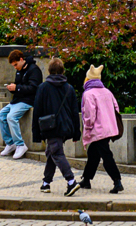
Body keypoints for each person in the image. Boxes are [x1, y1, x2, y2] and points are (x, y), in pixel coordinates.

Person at [32, 57, 81, 196]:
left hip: (51, 127)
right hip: (66, 127)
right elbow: (74, 111)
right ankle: (46, 183)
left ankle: (71, 182)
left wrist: (35, 132)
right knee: (51, 152)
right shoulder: (69, 88)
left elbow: (37, 110)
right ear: (62, 71)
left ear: (49, 70)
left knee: (57, 153)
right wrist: (76, 132)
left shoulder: (43, 88)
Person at [78, 64, 123, 194]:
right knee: (93, 153)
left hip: (98, 130)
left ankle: (117, 181)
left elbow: (90, 115)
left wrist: (87, 127)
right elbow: (116, 108)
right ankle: (86, 179)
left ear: (88, 79)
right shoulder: (107, 91)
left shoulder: (88, 94)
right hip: (109, 128)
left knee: (106, 155)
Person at [0, 49, 41, 159]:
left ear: (21, 59)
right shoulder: (19, 70)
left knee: (11, 117)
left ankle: (20, 145)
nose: (15, 67)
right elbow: (19, 86)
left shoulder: (34, 70)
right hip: (17, 100)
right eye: (13, 65)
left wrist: (17, 88)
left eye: (16, 64)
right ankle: (10, 143)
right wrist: (13, 88)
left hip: (28, 101)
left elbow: (34, 88)